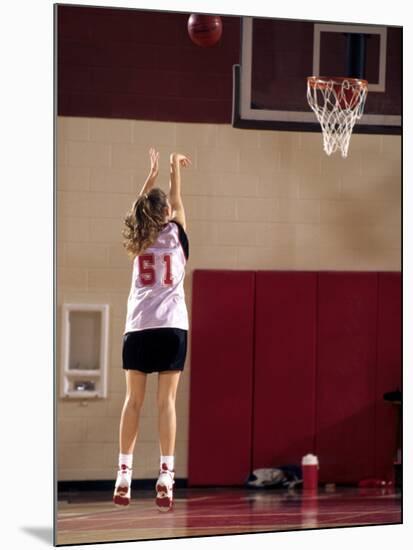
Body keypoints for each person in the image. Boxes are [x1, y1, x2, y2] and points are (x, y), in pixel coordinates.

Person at [113, 147, 191, 512]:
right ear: (167, 214)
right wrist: (174, 169)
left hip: (139, 327)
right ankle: (166, 475)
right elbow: (175, 200)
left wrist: (151, 174)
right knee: (166, 402)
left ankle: (124, 474)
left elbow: (137, 209)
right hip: (172, 327)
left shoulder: (137, 238)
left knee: (134, 402)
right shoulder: (176, 234)